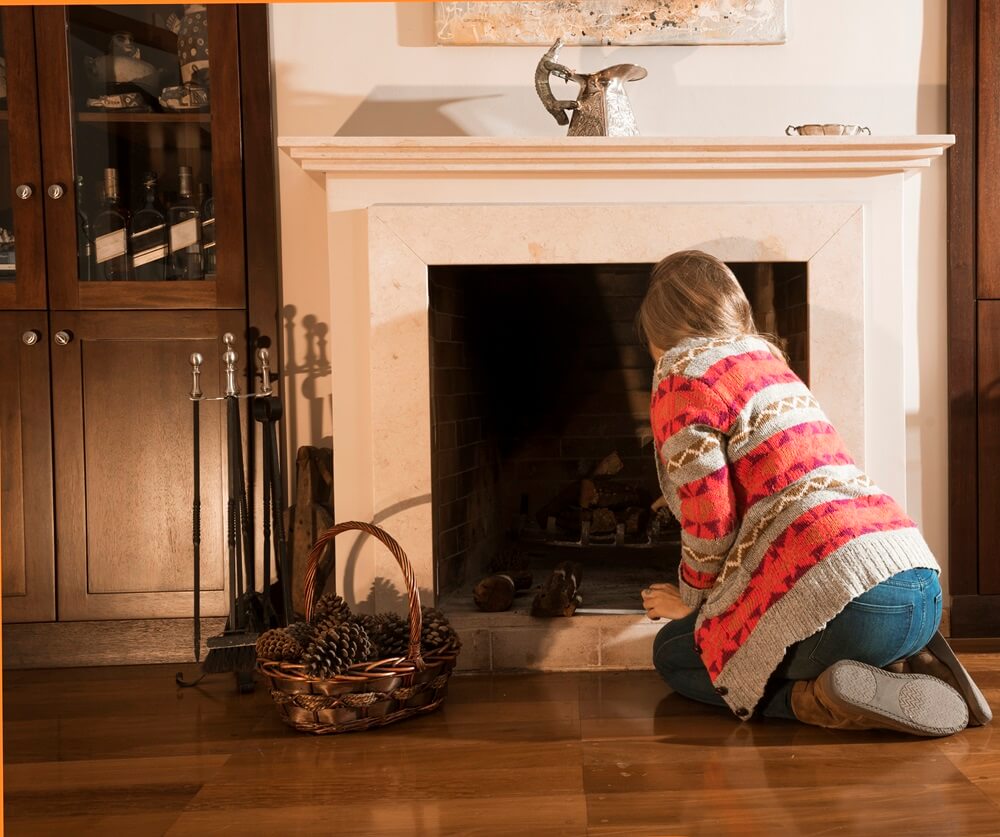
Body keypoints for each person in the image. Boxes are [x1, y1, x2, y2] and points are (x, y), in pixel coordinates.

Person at [639, 250, 991, 736]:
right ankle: (913, 662)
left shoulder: (682, 375)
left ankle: (821, 698)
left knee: (674, 656)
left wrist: (692, 605)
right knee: (742, 640)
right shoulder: (771, 365)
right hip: (921, 589)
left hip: (854, 612)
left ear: (657, 328)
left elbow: (711, 521)